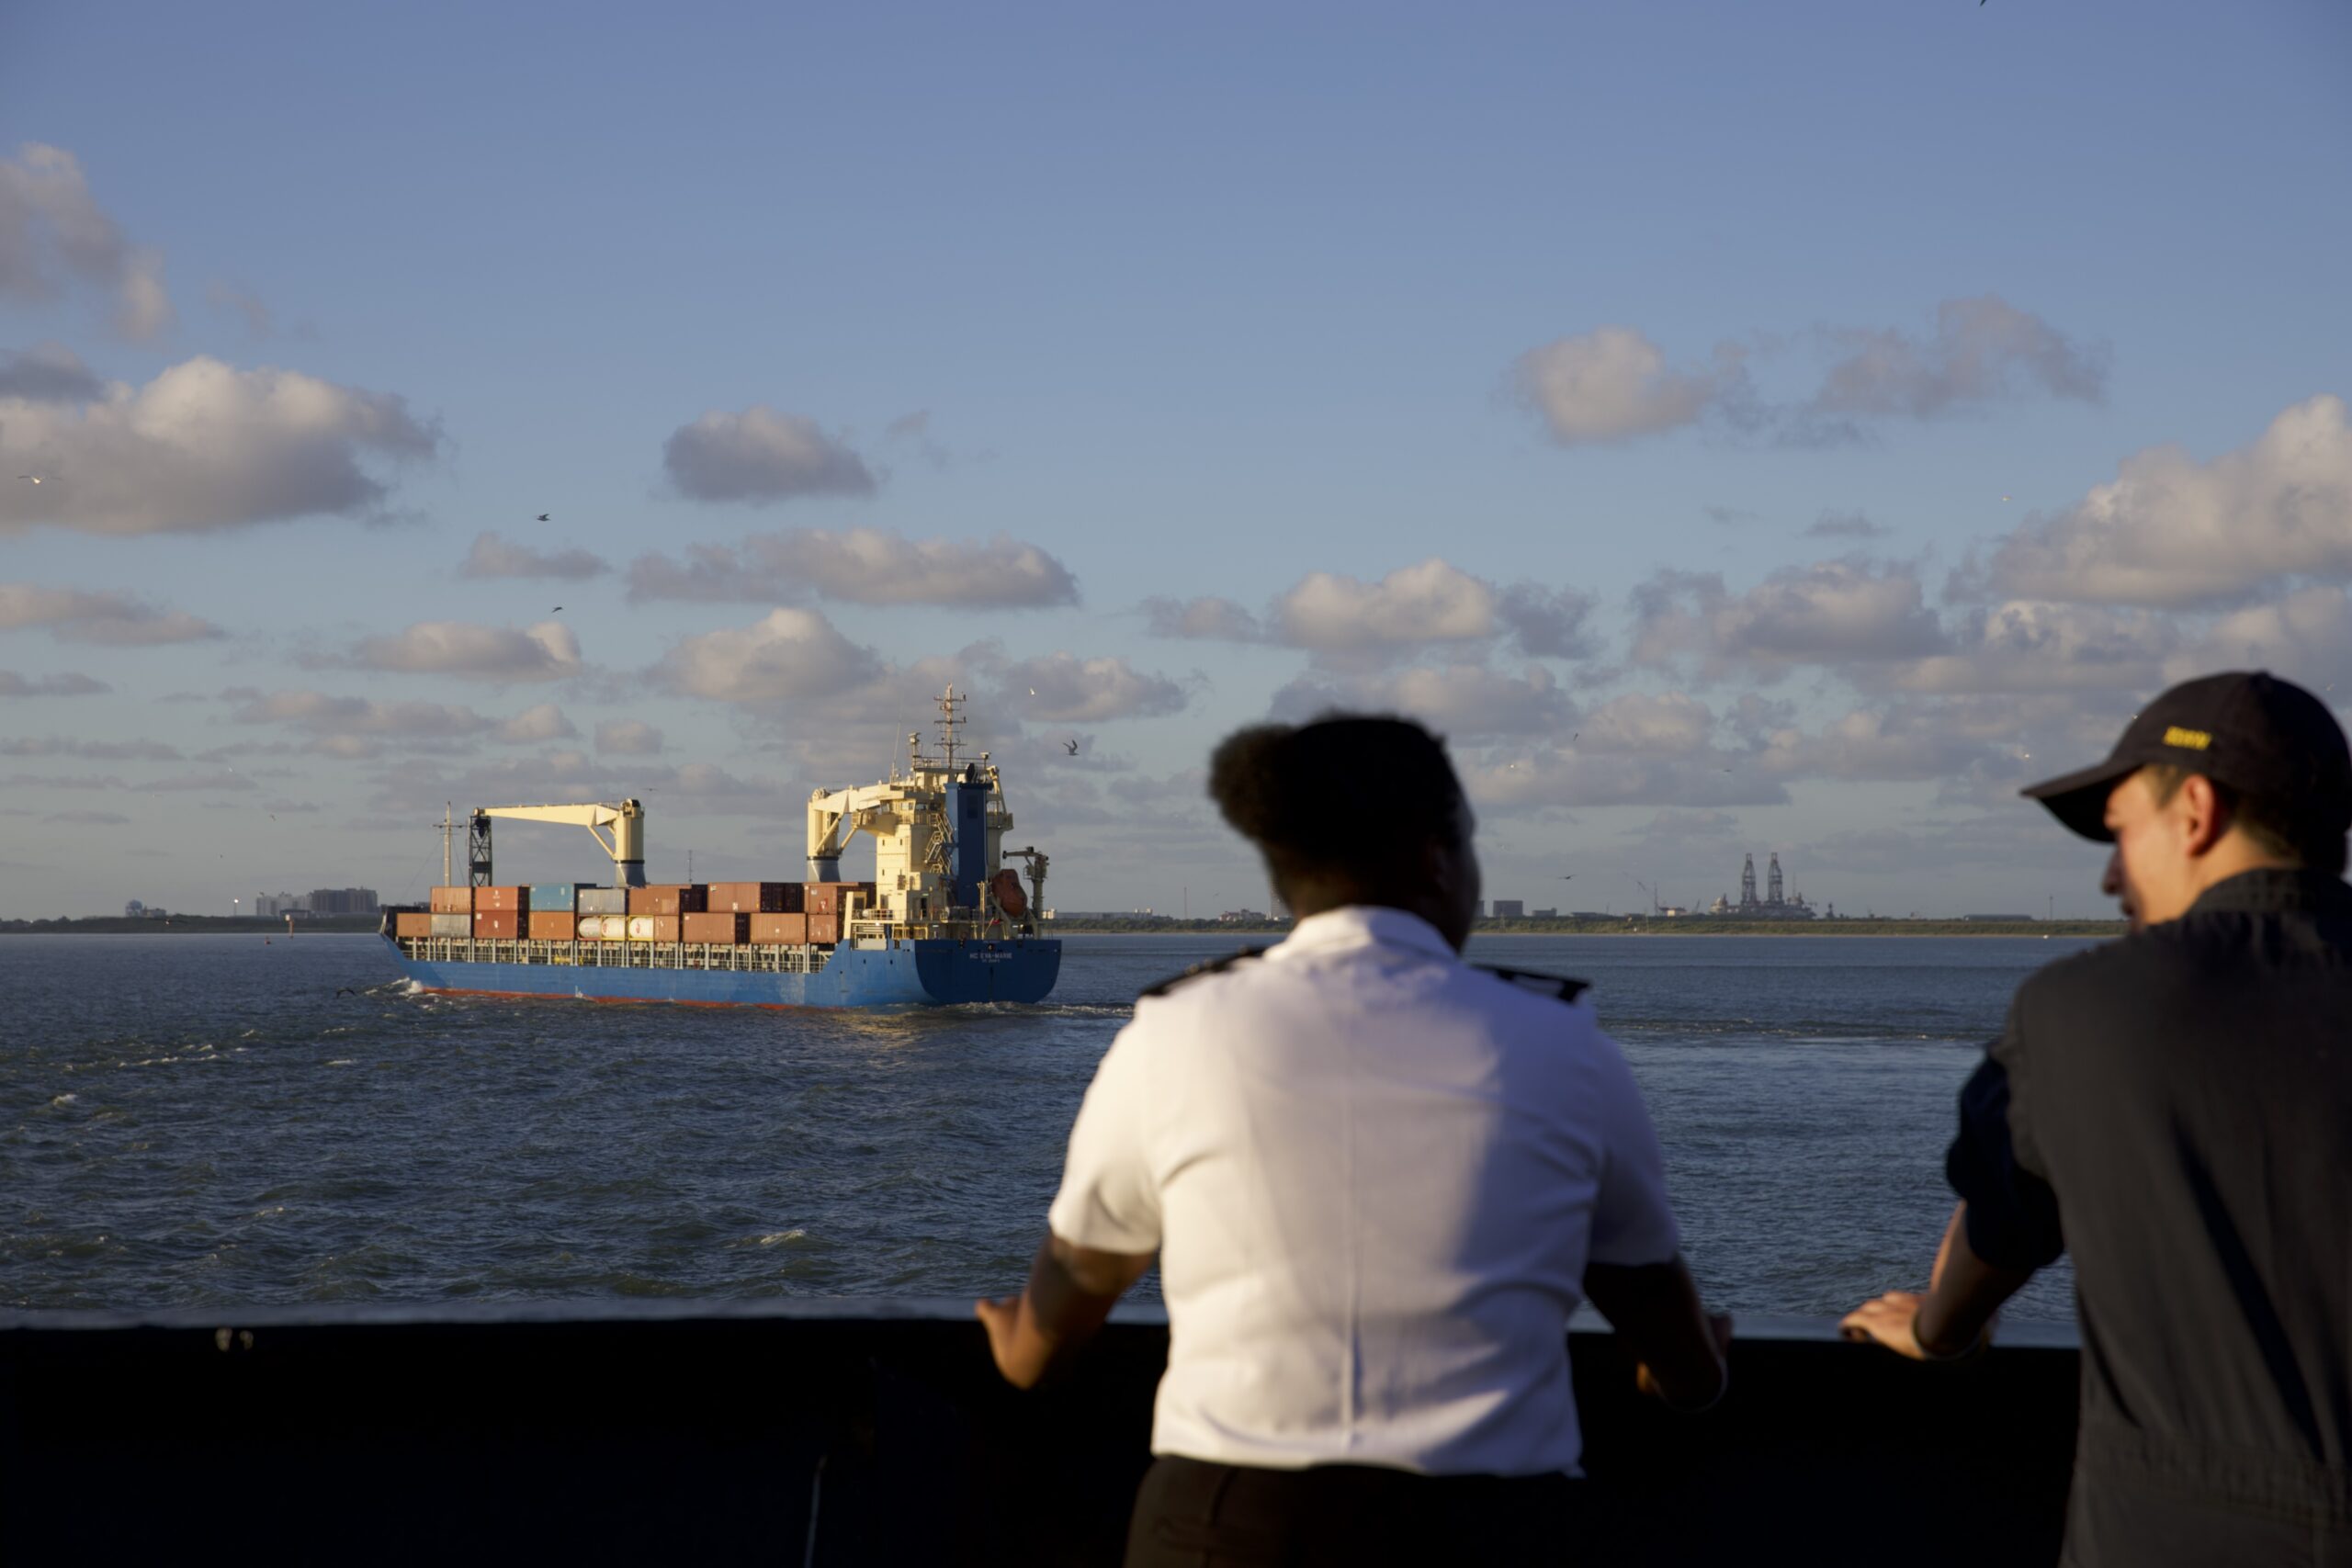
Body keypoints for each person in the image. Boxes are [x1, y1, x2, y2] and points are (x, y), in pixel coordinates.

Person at [976, 714, 1729, 1565]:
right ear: (1439, 857)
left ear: (1286, 874)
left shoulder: (1172, 1033)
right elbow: (1677, 1345)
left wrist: (1016, 1347)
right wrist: (1686, 1372)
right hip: (1493, 1526)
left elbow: (1064, 1298)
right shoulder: (1567, 1046)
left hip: (1225, 1526)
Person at [1841, 671, 2352, 1566]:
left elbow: (2001, 1225)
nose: (2112, 877)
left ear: (2194, 809)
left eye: (2118, 835)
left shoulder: (2075, 1014)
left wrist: (1936, 1331)